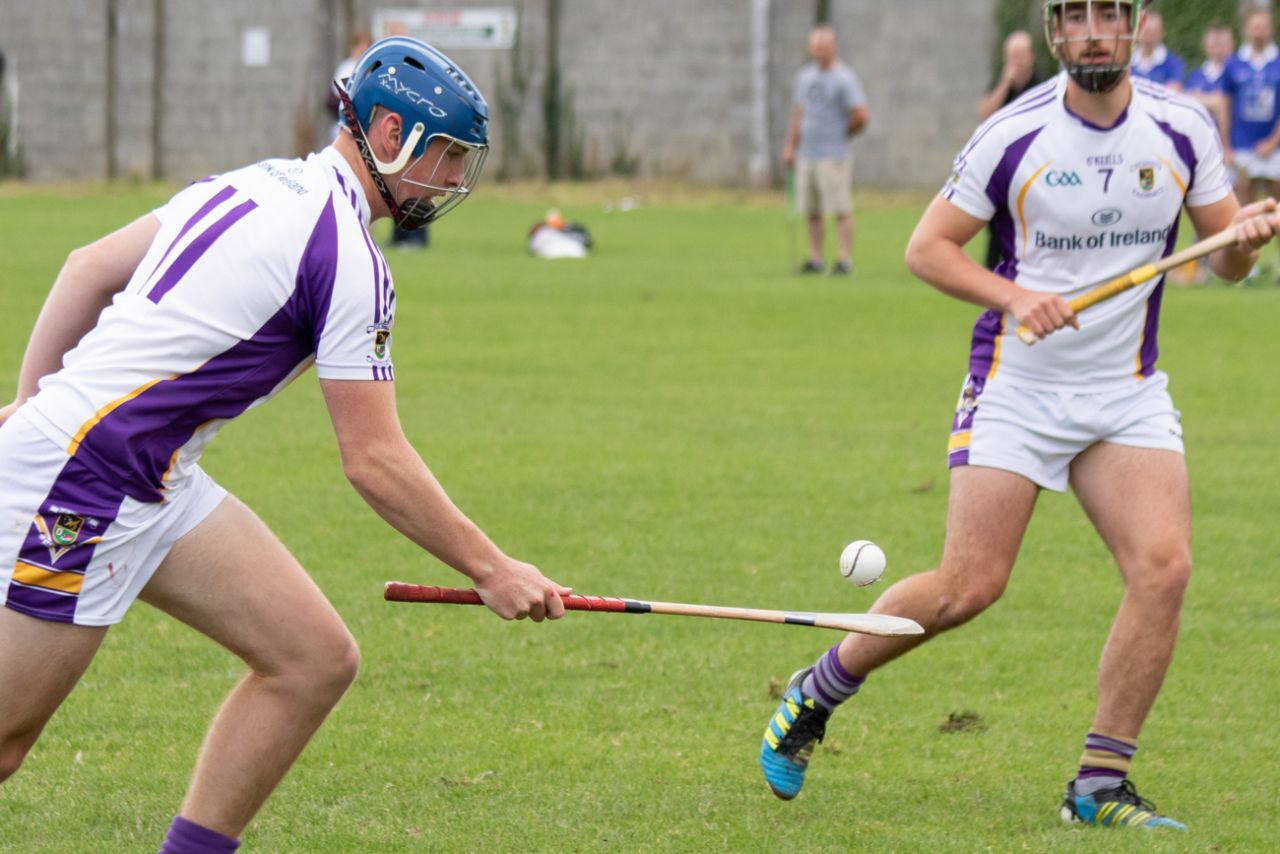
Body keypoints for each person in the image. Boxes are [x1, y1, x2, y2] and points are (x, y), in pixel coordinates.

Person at [0, 36, 569, 852]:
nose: (451, 179)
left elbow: (87, 266)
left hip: (154, 475)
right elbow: (373, 459)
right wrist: (493, 568)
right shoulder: (349, 257)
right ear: (386, 134)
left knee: (311, 659)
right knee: (5, 746)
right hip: (86, 482)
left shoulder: (260, 178)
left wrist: (31, 401)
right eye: (444, 155)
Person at [758, 0, 1280, 831]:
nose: (1094, 32)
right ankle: (814, 695)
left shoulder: (1183, 130)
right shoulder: (1014, 133)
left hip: (1126, 391)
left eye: (1110, 14)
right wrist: (1016, 296)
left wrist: (1249, 236)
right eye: (1075, 18)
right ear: (1054, 34)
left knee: (1165, 568)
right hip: (1018, 387)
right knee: (969, 586)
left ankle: (1097, 788)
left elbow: (1226, 258)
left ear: (1135, 24)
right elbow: (926, 247)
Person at [782, 24, 869, 276]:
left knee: (840, 208)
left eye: (824, 46)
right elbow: (798, 113)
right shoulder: (804, 77)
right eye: (815, 46)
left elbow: (861, 114)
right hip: (806, 153)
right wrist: (790, 146)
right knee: (812, 209)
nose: (819, 51)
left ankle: (843, 259)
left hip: (833, 155)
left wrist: (845, 132)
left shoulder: (844, 78)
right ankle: (815, 258)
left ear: (833, 47)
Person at [978, 30, 1047, 269]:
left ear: (1032, 56)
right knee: (995, 228)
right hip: (1002, 168)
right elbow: (985, 114)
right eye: (1012, 56)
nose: (1018, 61)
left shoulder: (1041, 87)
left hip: (1032, 166)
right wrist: (1006, 82)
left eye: (1022, 55)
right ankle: (990, 281)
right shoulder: (1000, 85)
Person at [1220, 7, 1280, 208]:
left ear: (1271, 29)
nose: (1259, 32)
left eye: (1263, 27)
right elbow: (1224, 105)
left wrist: (1272, 142)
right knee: (1245, 214)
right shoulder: (1233, 63)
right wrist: (1226, 146)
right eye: (1255, 27)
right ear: (1245, 29)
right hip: (1242, 148)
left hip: (1276, 150)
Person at [1129, 9, 1183, 90]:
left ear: (1162, 33)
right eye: (1146, 32)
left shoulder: (1173, 63)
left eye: (1154, 33)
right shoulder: (1126, 61)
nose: (1149, 38)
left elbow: (1173, 91)